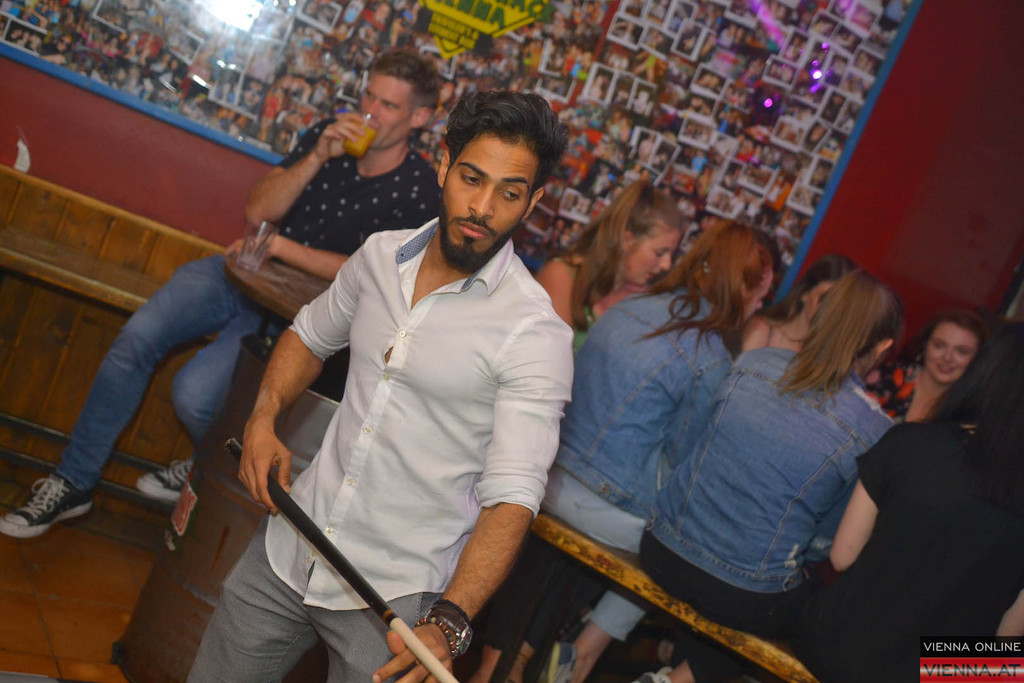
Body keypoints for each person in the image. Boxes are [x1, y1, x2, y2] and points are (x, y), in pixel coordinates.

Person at [187, 90, 573, 683]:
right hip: (290, 545)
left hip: (398, 599)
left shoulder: (535, 333)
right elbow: (308, 337)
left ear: (533, 202)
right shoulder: (379, 257)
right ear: (443, 166)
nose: (482, 207)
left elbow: (514, 498)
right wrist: (263, 418)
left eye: (509, 192)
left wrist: (450, 622)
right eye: (471, 178)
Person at [0, 50, 441, 539]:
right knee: (138, 336)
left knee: (193, 395)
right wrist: (317, 156)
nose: (369, 113)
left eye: (388, 105)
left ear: (419, 117)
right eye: (368, 97)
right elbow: (258, 211)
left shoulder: (420, 189)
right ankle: (74, 482)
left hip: (294, 313)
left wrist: (285, 248)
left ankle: (203, 462)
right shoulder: (325, 136)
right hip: (242, 274)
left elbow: (378, 272)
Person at [473, 221, 774, 683]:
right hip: (597, 499)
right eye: (760, 296)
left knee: (576, 550)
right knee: (679, 556)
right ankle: (579, 656)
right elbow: (683, 463)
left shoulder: (632, 306)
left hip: (548, 475)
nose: (759, 307)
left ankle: (514, 658)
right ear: (740, 288)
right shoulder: (710, 357)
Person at [639, 270, 902, 683]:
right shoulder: (873, 429)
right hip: (742, 593)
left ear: (816, 314)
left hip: (661, 548)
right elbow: (827, 544)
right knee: (807, 608)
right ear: (883, 346)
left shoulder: (753, 363)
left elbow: (694, 455)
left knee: (746, 589)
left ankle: (674, 675)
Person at [794, 322, 1024, 683]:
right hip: (936, 671)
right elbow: (1007, 637)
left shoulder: (908, 441)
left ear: (983, 374)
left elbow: (842, 556)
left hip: (841, 645)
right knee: (1007, 667)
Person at [534, 180, 684, 349]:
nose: (666, 265)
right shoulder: (562, 276)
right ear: (627, 240)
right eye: (660, 253)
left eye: (671, 254)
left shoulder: (641, 298)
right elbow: (549, 358)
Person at [867, 309, 987, 422]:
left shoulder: (973, 410)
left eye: (962, 351)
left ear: (977, 359)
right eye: (939, 345)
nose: (947, 358)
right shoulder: (887, 377)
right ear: (925, 345)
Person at [741, 253, 856, 353]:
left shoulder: (824, 357)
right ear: (806, 293)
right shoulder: (762, 331)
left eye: (839, 305)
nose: (830, 310)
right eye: (825, 299)